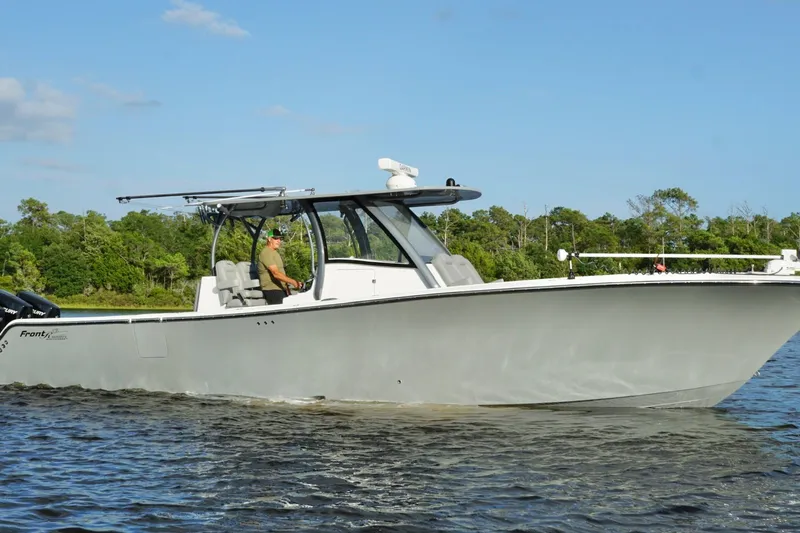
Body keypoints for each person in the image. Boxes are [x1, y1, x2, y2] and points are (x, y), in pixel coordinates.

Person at [257, 228, 302, 305]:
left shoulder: (275, 253)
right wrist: (293, 282)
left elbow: (281, 273)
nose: (278, 241)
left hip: (280, 289)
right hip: (272, 290)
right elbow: (276, 273)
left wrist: (288, 286)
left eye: (279, 238)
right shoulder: (266, 253)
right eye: (275, 238)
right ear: (269, 239)